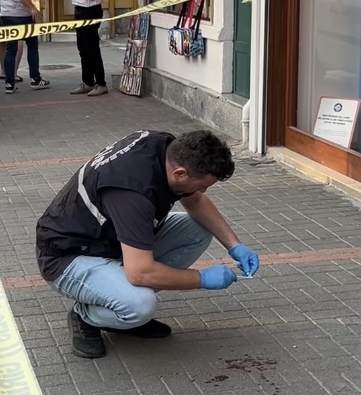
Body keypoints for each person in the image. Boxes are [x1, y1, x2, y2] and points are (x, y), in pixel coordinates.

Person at [35, 130, 260, 359]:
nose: (202, 191)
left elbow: (194, 198)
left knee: (198, 229)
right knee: (139, 305)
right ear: (180, 173)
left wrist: (235, 245)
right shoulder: (132, 192)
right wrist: (202, 279)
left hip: (109, 239)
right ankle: (86, 315)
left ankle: (117, 302)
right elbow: (140, 273)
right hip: (68, 257)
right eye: (203, 185)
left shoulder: (163, 146)